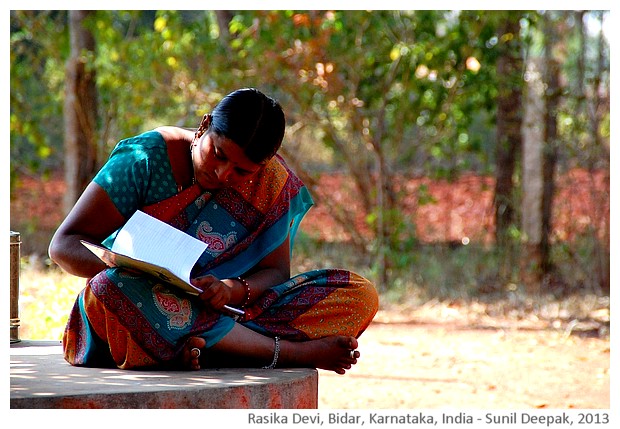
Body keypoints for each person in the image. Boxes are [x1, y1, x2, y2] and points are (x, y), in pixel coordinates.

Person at [49, 87, 379, 374]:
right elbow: (63, 245)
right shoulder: (145, 159)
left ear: (263, 166)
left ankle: (197, 346)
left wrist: (231, 289)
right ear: (205, 125)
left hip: (227, 310)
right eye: (218, 154)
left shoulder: (271, 183)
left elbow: (276, 272)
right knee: (111, 287)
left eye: (241, 171)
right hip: (141, 299)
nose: (223, 174)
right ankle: (285, 353)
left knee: (359, 296)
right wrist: (141, 273)